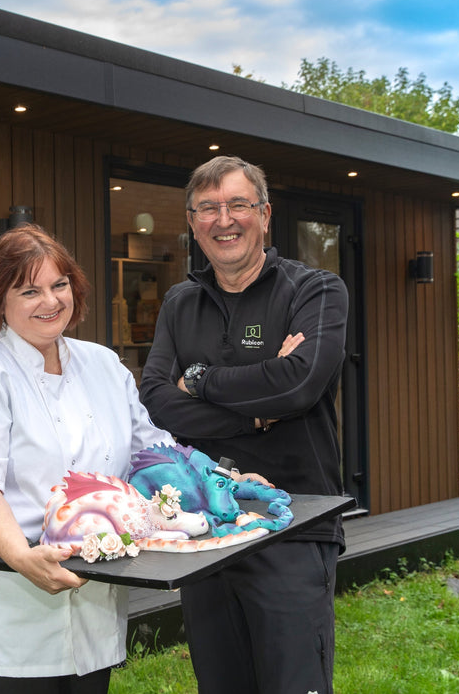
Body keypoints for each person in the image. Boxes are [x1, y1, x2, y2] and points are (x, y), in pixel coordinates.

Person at [0, 222, 174, 694]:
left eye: (59, 285)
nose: (51, 301)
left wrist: (219, 479)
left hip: (93, 598)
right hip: (7, 611)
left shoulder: (102, 364)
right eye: (29, 291)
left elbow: (151, 453)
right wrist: (23, 557)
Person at [139, 155, 349, 694]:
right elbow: (157, 401)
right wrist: (258, 412)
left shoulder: (316, 291)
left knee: (292, 681)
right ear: (192, 222)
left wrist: (202, 379)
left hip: (295, 522)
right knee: (221, 682)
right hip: (205, 524)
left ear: (265, 214)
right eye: (208, 208)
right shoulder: (180, 302)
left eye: (238, 204)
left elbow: (299, 385)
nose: (223, 219)